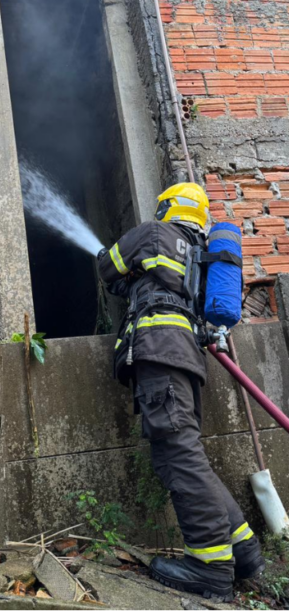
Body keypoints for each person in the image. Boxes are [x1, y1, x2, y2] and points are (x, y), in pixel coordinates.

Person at [96, 182, 264, 601]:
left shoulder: (154, 233)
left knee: (178, 454)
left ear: (168, 207)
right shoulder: (200, 253)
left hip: (159, 351)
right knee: (188, 452)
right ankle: (242, 550)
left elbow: (108, 268)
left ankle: (208, 565)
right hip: (187, 356)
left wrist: (119, 262)